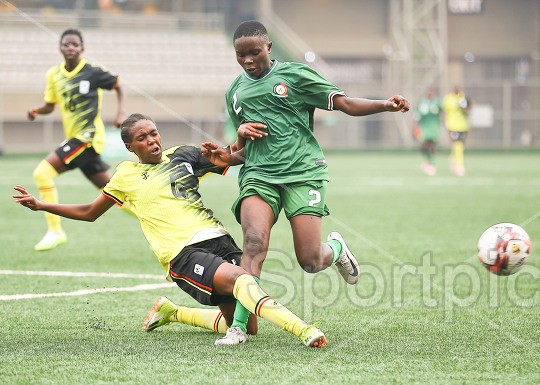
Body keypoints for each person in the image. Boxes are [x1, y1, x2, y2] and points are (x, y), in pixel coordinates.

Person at [12, 113, 327, 348]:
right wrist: (43, 205)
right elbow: (90, 212)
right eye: (142, 138)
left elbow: (231, 157)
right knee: (241, 279)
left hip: (219, 241)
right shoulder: (125, 175)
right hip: (182, 253)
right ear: (129, 146)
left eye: (153, 133)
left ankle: (172, 312)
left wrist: (241, 137)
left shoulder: (184, 155)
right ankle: (303, 329)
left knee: (248, 326)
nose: (152, 140)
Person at [201, 20, 410, 344]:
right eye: (240, 55)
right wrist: (229, 152)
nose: (247, 60)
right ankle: (238, 327)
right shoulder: (235, 92)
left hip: (303, 173)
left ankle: (337, 249)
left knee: (310, 261)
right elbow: (244, 151)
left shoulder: (295, 76)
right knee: (254, 245)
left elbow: (344, 103)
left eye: (254, 53)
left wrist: (385, 104)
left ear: (269, 48)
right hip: (259, 175)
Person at [27, 28, 126, 251]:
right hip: (76, 140)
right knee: (112, 193)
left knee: (42, 173)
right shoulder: (54, 74)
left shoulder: (92, 72)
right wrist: (36, 111)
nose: (70, 48)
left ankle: (55, 231)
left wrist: (120, 114)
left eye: (74, 44)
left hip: (87, 138)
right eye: (66, 44)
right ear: (60, 47)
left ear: (82, 48)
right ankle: (151, 219)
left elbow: (118, 84)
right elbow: (50, 105)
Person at [443, 85, 471, 177]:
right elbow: (446, 112)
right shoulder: (448, 99)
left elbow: (467, 111)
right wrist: (447, 125)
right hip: (453, 125)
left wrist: (464, 106)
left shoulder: (463, 97)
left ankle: (453, 158)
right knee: (457, 145)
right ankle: (460, 166)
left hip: (463, 125)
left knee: (461, 146)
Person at [413, 88, 442, 176]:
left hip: (434, 127)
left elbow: (442, 113)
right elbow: (416, 115)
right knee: (424, 146)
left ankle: (431, 162)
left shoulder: (437, 102)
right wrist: (415, 127)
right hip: (424, 127)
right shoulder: (422, 102)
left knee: (432, 145)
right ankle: (427, 160)